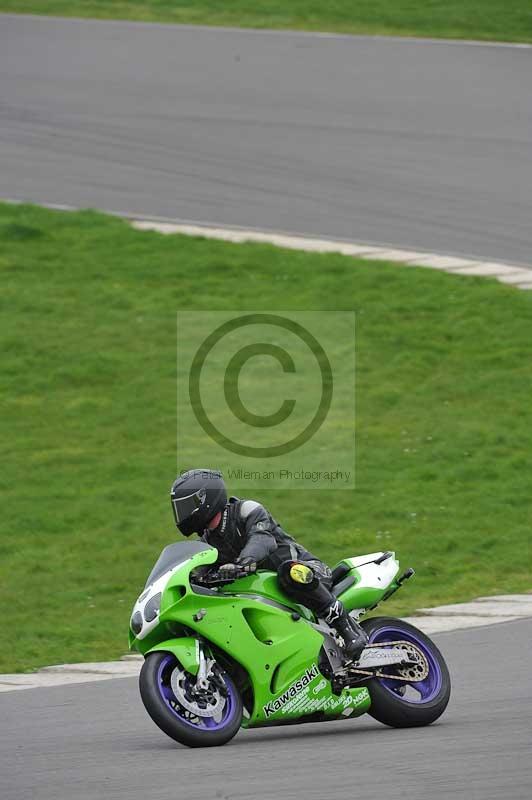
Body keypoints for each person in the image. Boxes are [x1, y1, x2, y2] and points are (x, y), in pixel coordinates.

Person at [170, 469, 368, 661]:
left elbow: (263, 540)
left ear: (206, 499)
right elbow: (198, 573)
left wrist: (246, 561)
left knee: (290, 572)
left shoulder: (246, 511)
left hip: (309, 572)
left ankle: (347, 628)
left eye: (187, 505)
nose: (183, 514)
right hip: (269, 591)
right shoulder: (206, 543)